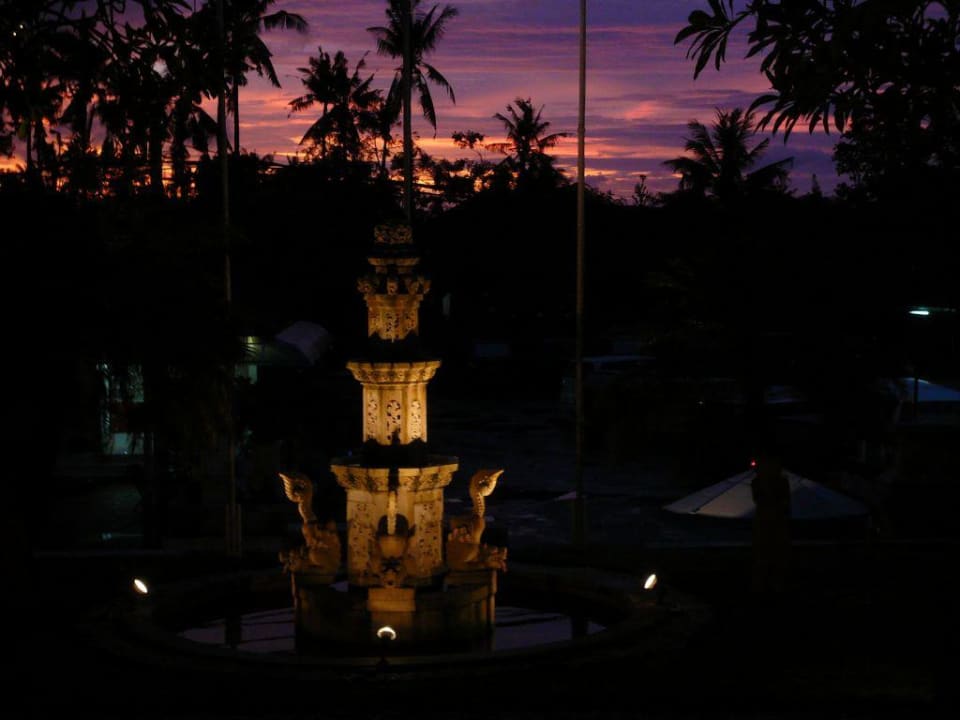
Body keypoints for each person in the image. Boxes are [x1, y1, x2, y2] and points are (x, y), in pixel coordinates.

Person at [751, 450, 791, 599]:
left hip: (773, 522)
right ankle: (766, 585)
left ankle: (773, 585)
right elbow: (760, 499)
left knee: (773, 553)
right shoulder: (759, 482)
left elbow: (783, 502)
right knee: (765, 553)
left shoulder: (779, 482)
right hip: (767, 521)